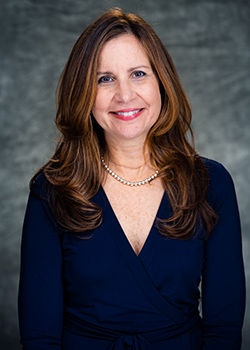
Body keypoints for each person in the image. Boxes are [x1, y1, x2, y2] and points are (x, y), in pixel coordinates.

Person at [18, 7, 245, 350]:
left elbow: (224, 331)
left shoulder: (211, 183)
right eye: (104, 78)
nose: (125, 95)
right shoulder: (53, 190)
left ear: (161, 82)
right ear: (83, 94)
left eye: (138, 74)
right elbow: (40, 338)